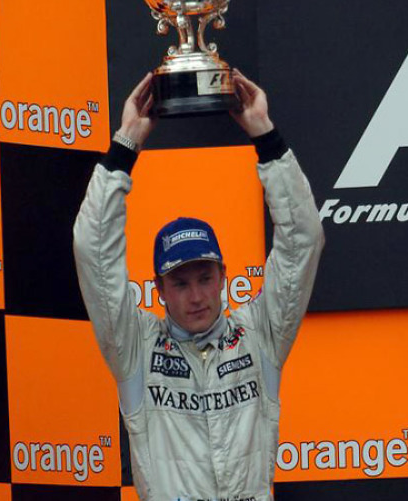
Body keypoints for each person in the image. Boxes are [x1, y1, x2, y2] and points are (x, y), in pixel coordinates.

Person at [73, 71, 324, 501]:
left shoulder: (260, 333)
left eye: (205, 278)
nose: (195, 295)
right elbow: (93, 251)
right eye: (181, 282)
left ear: (224, 278)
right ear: (159, 291)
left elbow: (303, 239)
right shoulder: (135, 347)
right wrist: (124, 146)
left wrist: (265, 136)